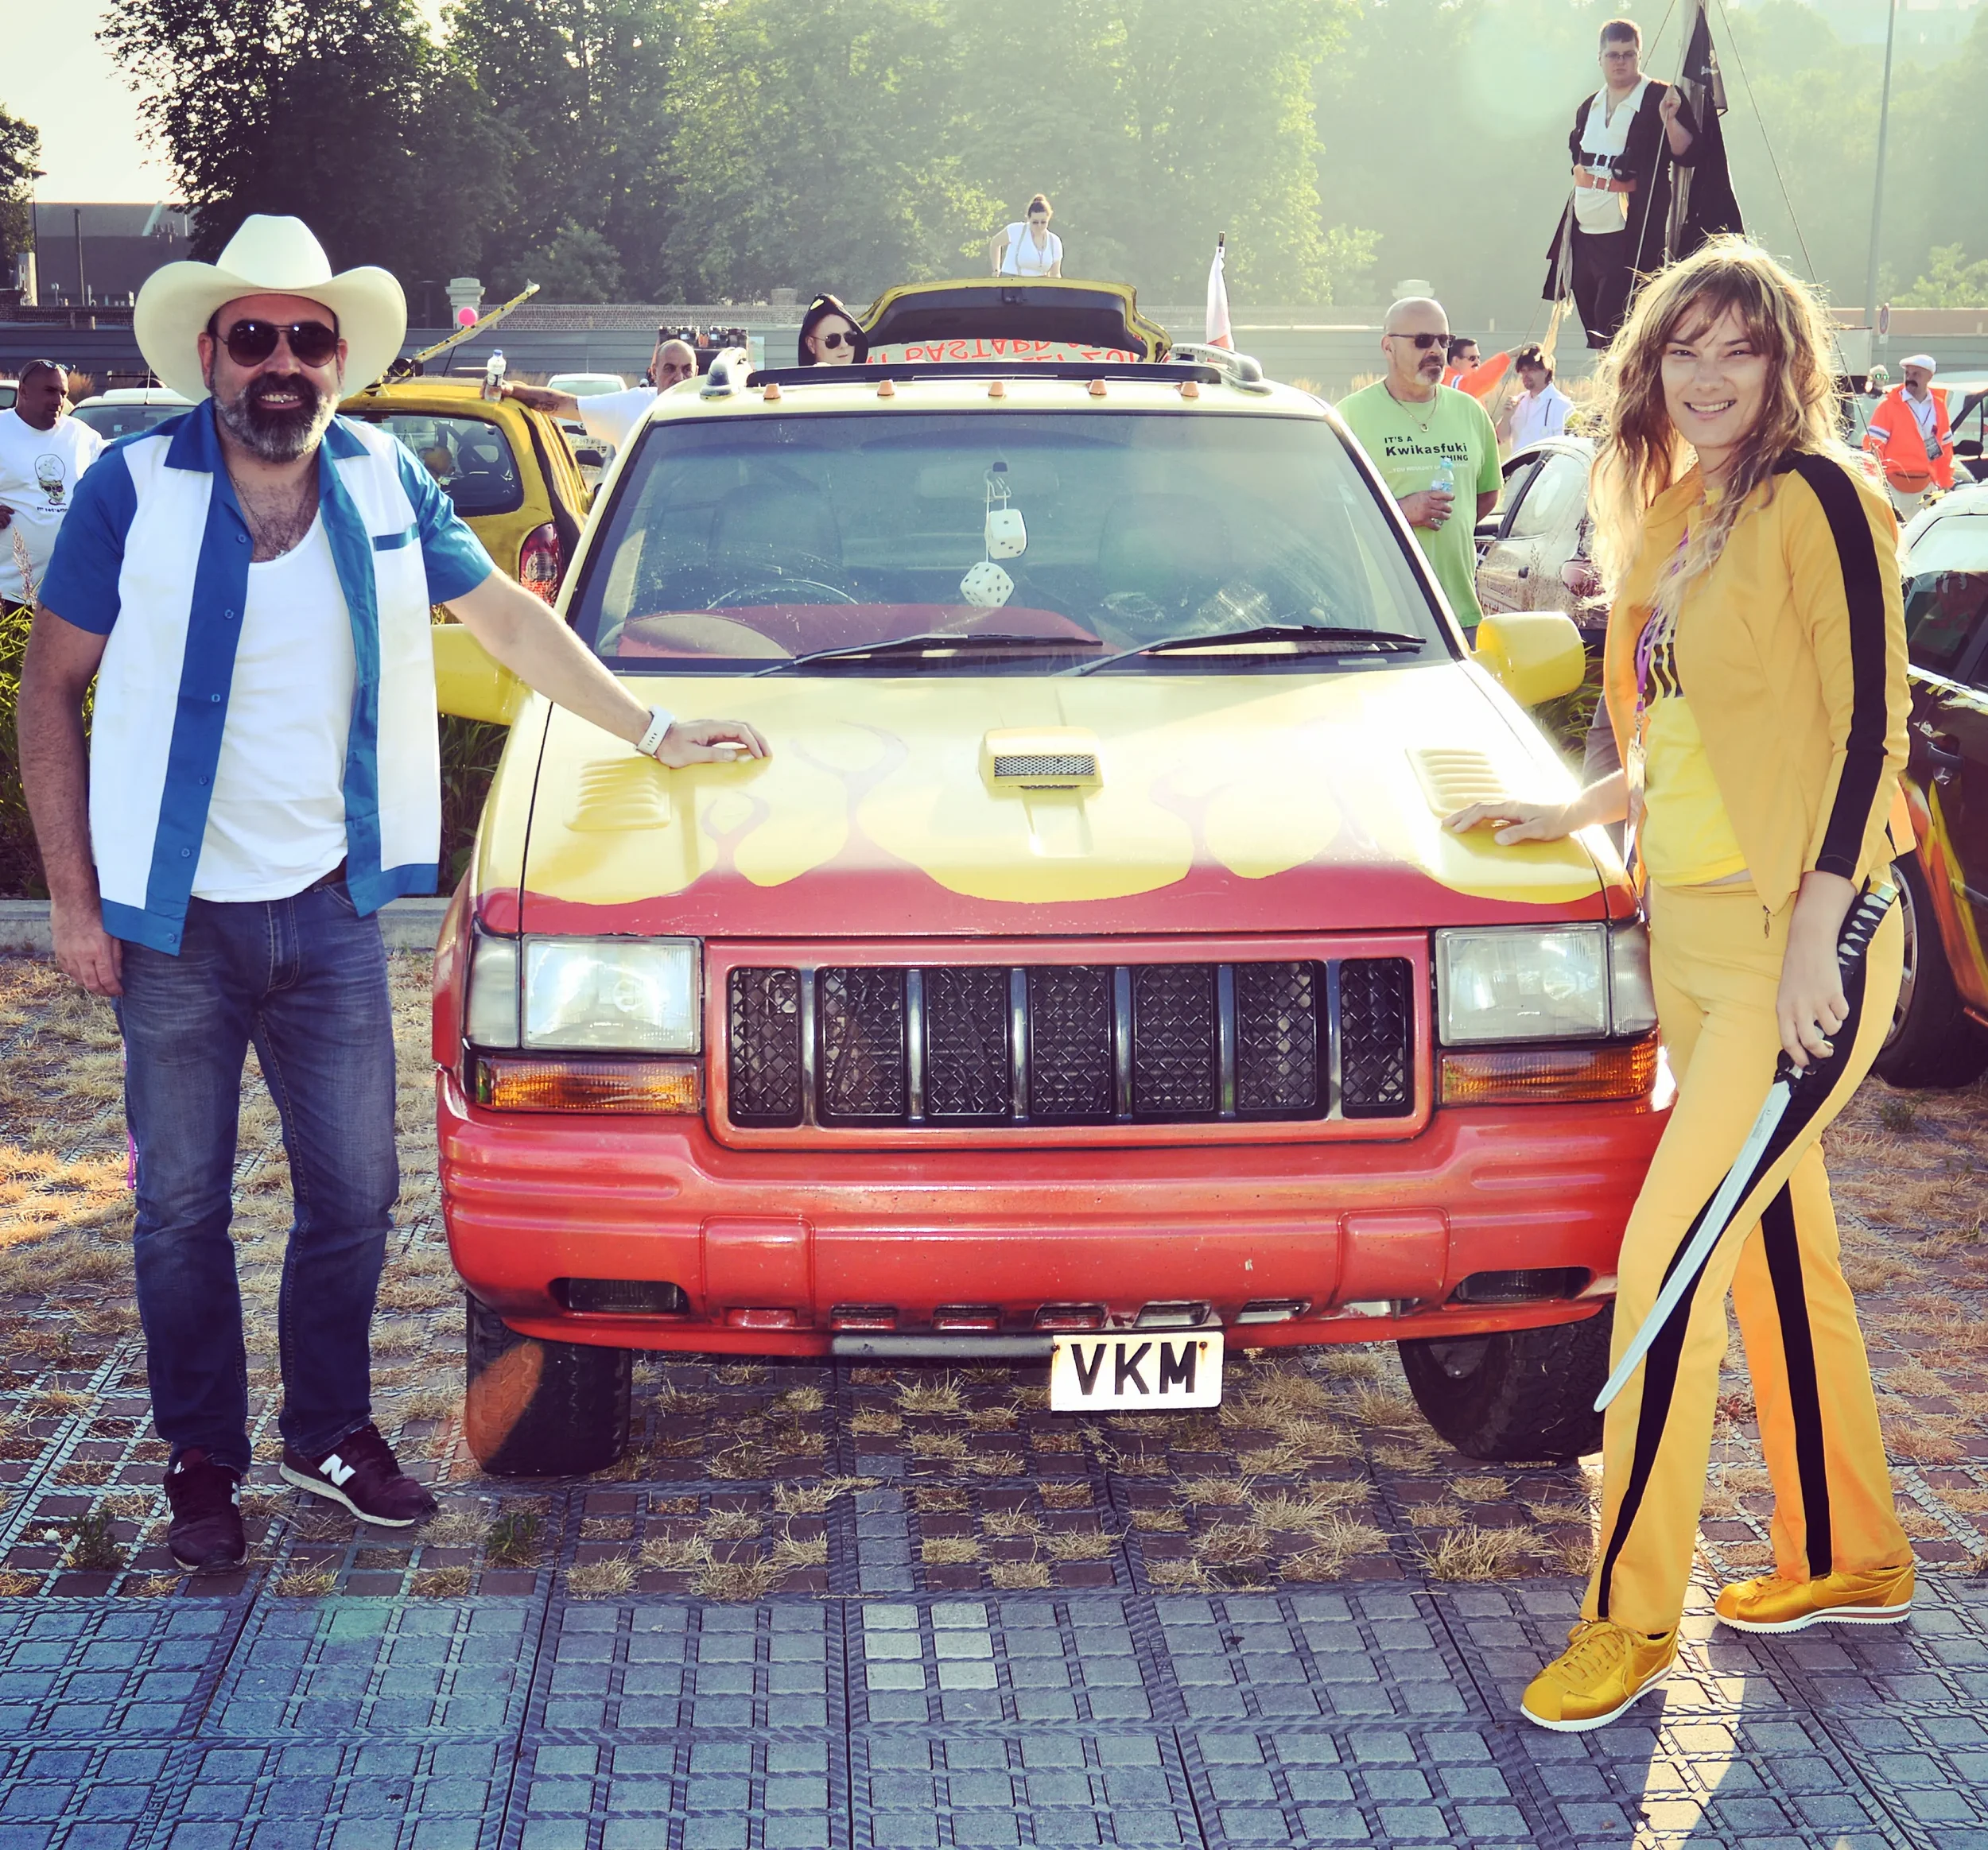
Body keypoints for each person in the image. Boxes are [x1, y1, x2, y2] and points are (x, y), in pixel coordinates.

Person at [16, 215, 770, 1575]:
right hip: (172, 919)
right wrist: (74, 901)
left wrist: (651, 728)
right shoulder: (133, 489)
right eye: (257, 338)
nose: (284, 364)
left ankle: (328, 1431)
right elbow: (48, 687)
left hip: (325, 908)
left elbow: (514, 626)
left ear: (341, 361)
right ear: (211, 355)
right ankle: (201, 1458)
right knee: (181, 1207)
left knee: (356, 1194)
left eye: (311, 339)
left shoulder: (381, 480)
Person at [1447, 239, 1913, 1732]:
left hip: (1804, 941)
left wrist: (1811, 943)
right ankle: (1850, 1551)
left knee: (1668, 1259)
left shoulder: (1822, 495)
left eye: (1743, 350)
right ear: (1650, 364)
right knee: (1782, 1257)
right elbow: (1682, 744)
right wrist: (1571, 814)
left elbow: (1865, 729)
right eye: (1685, 350)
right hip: (1695, 942)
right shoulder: (1691, 510)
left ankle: (1631, 1617)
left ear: (1789, 362)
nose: (1712, 376)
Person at [1338, 297, 1503, 630]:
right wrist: (1400, 513)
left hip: (1461, 618)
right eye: (1423, 341)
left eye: (1444, 341)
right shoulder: (1348, 416)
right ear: (1388, 347)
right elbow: (1329, 512)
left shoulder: (1471, 412)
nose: (1437, 351)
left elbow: (1485, 496)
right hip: (1379, 624)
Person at [1543, 19, 1701, 348]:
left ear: (1638, 56)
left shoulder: (1659, 96)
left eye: (1628, 54)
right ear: (1600, 58)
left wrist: (1670, 119)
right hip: (1586, 234)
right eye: (1613, 55)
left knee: (1618, 326)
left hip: (1630, 233)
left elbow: (1688, 154)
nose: (1620, 62)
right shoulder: (1590, 106)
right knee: (1594, 321)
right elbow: (1577, 156)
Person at [0, 361, 103, 610]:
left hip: (69, 590)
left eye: (63, 393)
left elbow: (114, 477)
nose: (59, 400)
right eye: (50, 391)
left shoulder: (80, 435)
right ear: (24, 391)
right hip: (8, 592)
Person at [505, 336, 699, 449]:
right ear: (654, 371)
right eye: (670, 368)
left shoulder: (715, 411)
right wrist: (513, 389)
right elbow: (566, 404)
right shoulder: (632, 405)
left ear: (696, 372)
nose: (679, 377)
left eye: (686, 369)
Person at [1862, 353, 1952, 519]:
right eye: (1907, 374)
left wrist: (1945, 484)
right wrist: (1874, 483)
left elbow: (1945, 450)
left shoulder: (1939, 407)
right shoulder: (1888, 406)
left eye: (1916, 374)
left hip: (1927, 488)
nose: (1910, 378)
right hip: (1893, 488)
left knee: (1923, 538)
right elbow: (1873, 448)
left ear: (1929, 377)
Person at [1502, 344, 1575, 448]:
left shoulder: (1563, 406)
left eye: (1532, 370)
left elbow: (1567, 448)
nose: (1526, 375)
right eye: (1523, 371)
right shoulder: (1518, 401)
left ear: (1546, 372)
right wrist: (1506, 417)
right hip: (1519, 464)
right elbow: (1501, 439)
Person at [989, 196, 1063, 278]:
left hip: (1039, 286)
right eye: (1035, 222)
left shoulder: (1055, 241)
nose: (1039, 226)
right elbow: (995, 243)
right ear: (1028, 218)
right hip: (1012, 283)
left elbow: (1055, 274)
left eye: (1043, 222)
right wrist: (996, 270)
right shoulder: (1016, 230)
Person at [796, 293, 868, 367]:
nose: (844, 345)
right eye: (833, 340)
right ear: (811, 345)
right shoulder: (790, 378)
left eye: (849, 337)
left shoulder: (873, 376)